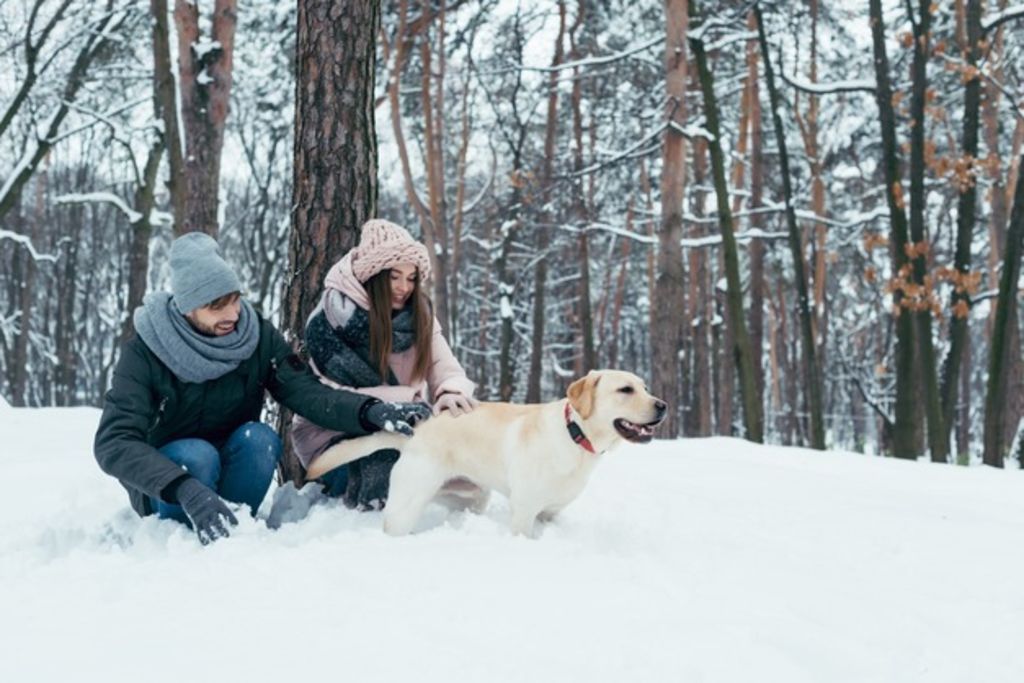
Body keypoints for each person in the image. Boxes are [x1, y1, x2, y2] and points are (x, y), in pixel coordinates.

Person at [93, 232, 432, 545]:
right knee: (197, 454)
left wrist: (370, 410)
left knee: (260, 439)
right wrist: (183, 488)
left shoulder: (254, 337)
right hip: (170, 486)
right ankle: (183, 540)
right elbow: (113, 442)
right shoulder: (146, 352)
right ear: (186, 308)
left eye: (235, 300)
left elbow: (306, 392)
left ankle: (236, 531)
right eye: (216, 306)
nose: (232, 314)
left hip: (232, 464)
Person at [292, 219, 477, 509]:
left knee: (466, 457)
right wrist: (404, 403)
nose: (404, 287)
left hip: (402, 428)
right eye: (394, 277)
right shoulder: (331, 319)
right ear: (374, 275)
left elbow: (444, 366)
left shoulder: (420, 316)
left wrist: (450, 392)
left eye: (411, 277)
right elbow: (328, 394)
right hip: (334, 439)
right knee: (391, 461)